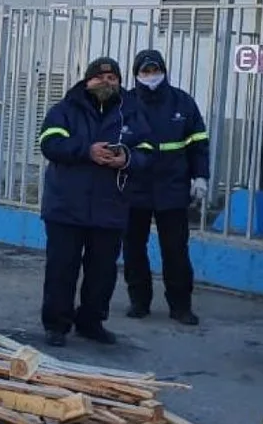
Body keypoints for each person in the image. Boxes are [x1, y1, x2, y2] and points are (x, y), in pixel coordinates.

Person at [37, 57, 153, 348]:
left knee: (102, 272)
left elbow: (149, 150)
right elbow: (50, 143)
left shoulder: (132, 112)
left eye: (113, 78)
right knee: (62, 269)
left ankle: (91, 322)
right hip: (66, 205)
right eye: (100, 78)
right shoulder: (65, 109)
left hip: (110, 205)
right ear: (87, 80)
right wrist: (86, 151)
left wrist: (127, 157)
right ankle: (56, 325)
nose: (106, 82)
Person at [122, 50, 208, 326]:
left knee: (175, 250)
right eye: (145, 72)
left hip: (172, 187)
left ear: (164, 71)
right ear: (136, 74)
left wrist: (200, 177)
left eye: (154, 71)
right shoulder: (126, 104)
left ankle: (181, 306)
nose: (150, 77)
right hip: (135, 187)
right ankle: (139, 302)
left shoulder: (182, 102)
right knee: (134, 248)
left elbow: (198, 143)